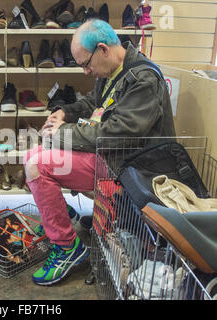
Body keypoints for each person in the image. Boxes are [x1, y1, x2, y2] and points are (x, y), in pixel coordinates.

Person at [23, 19, 175, 286]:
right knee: (32, 156)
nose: (85, 72)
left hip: (128, 164)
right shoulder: (115, 71)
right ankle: (60, 216)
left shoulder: (143, 80)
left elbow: (117, 133)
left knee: (38, 165)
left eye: (85, 64)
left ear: (103, 49)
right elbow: (94, 103)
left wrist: (61, 132)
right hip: (110, 154)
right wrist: (65, 112)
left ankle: (67, 248)